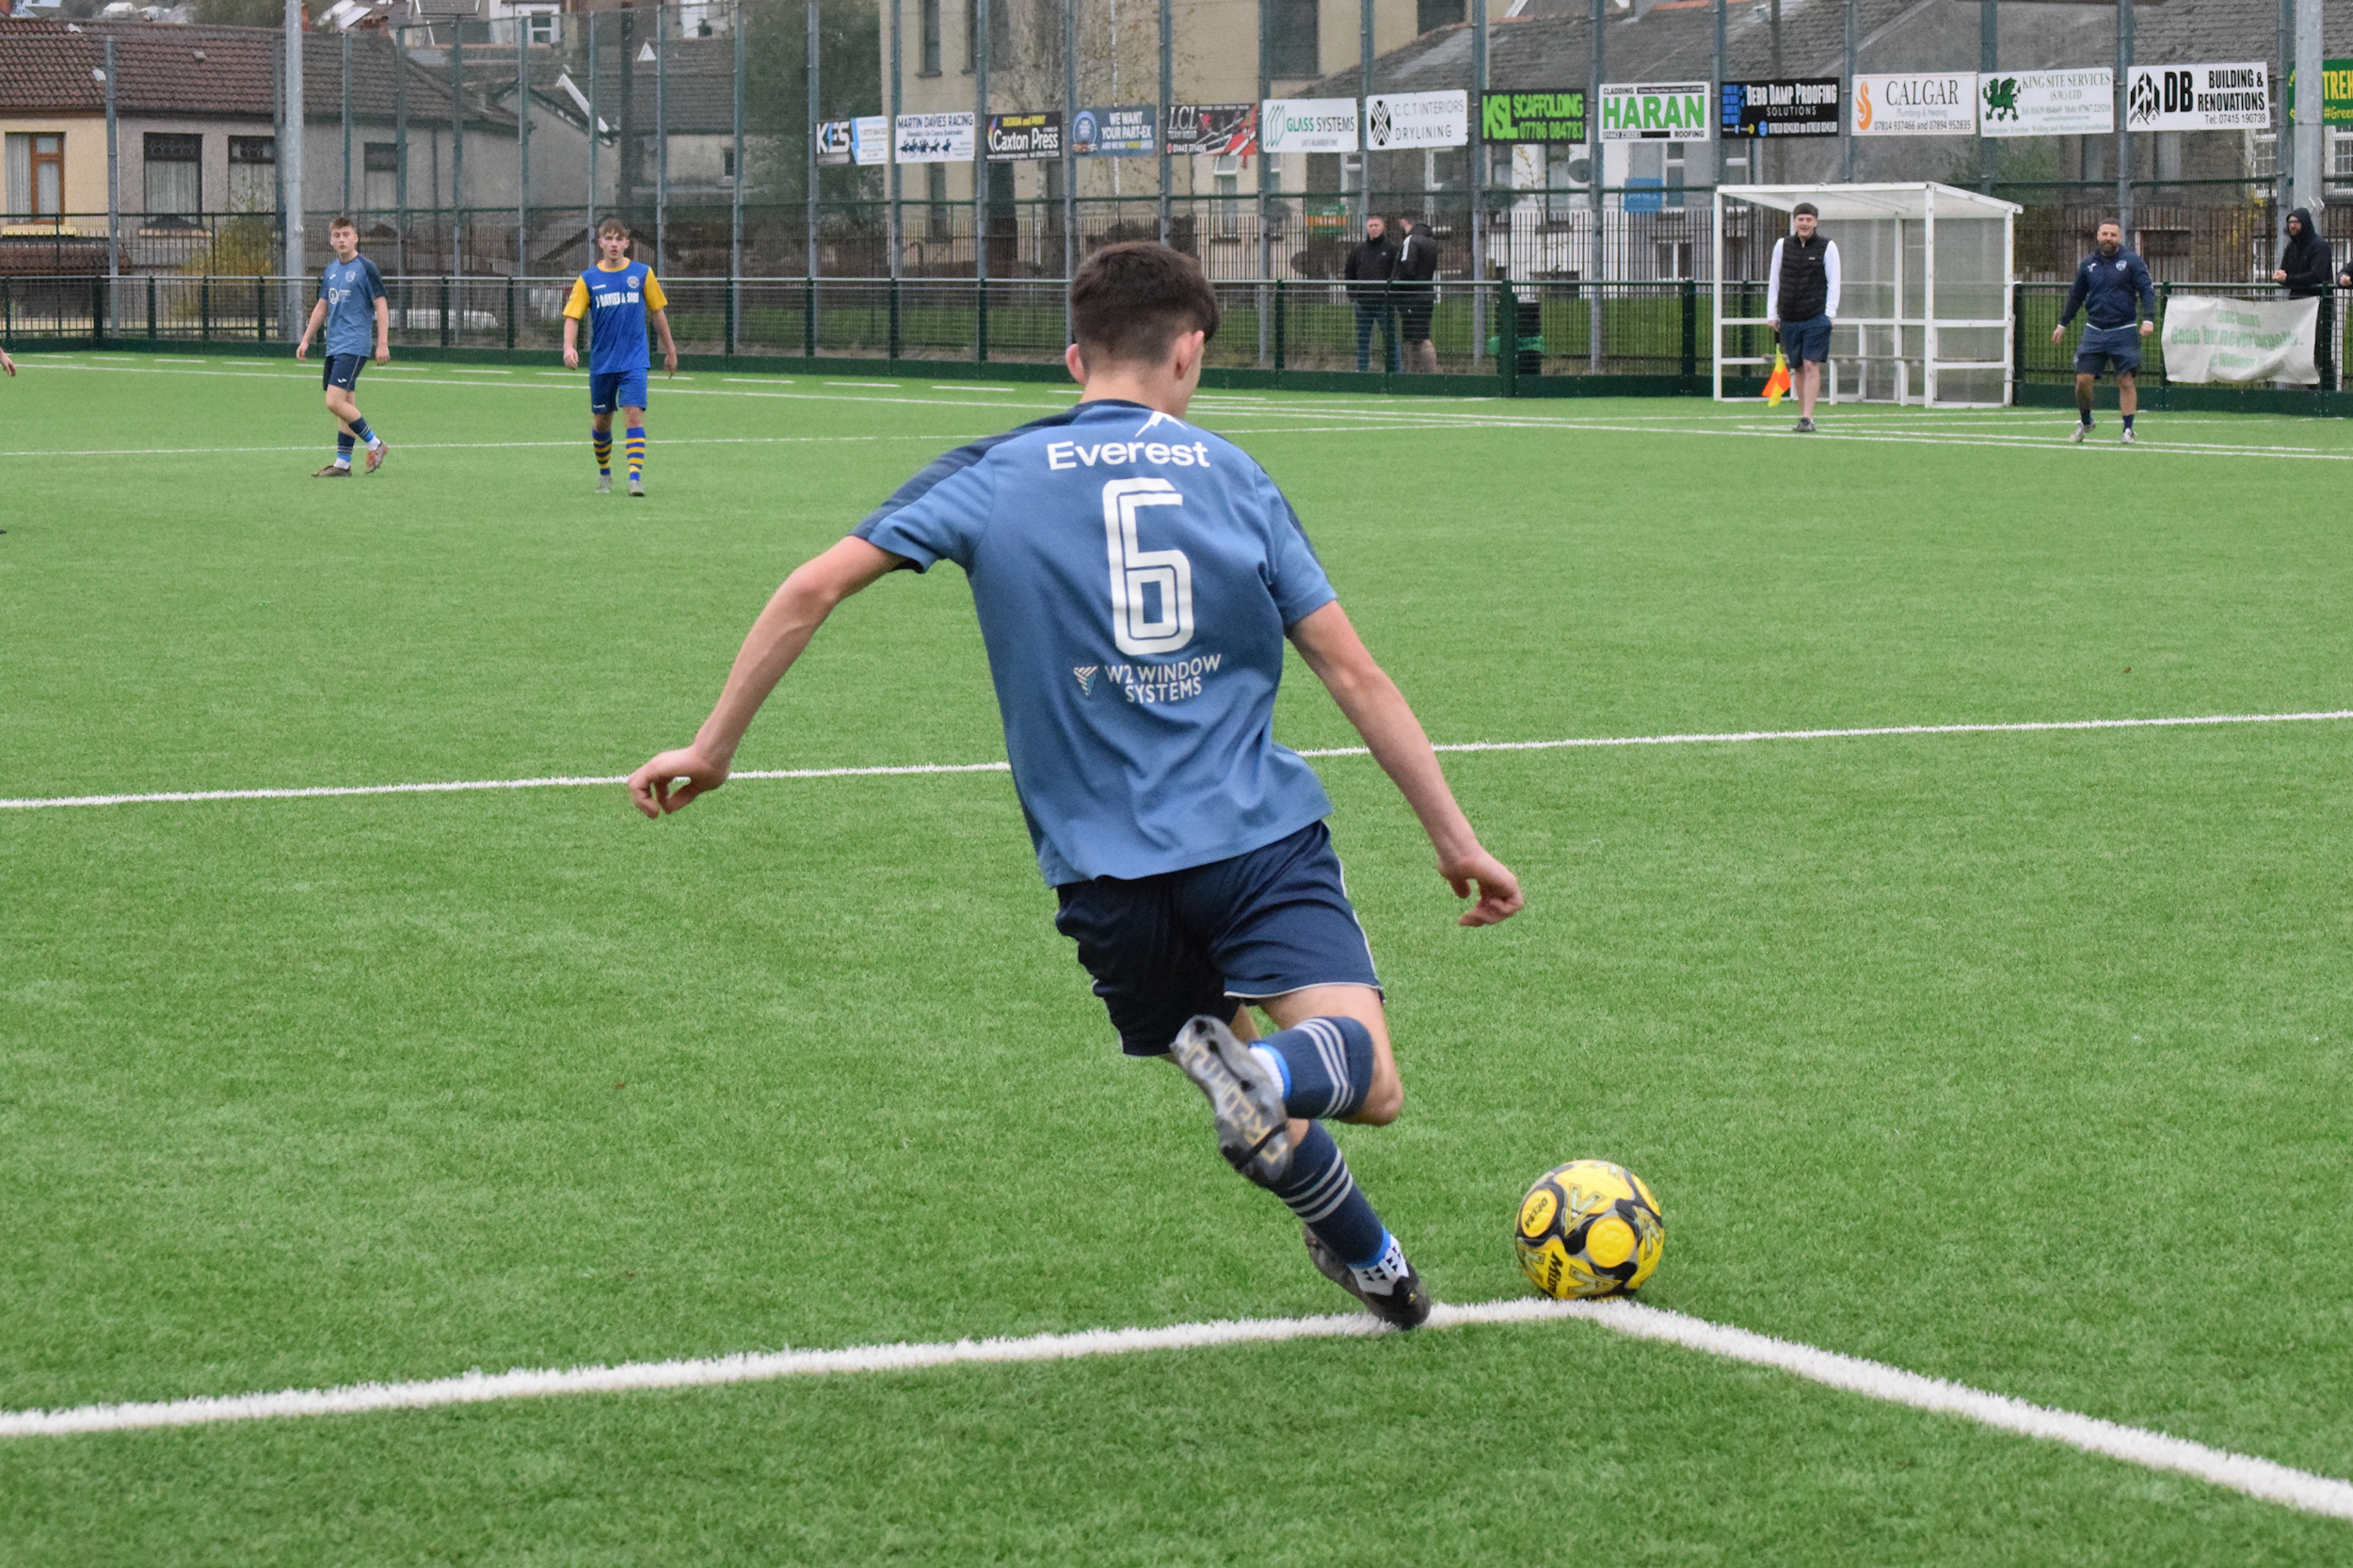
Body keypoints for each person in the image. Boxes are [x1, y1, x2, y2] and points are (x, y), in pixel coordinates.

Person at [625, 242, 1523, 1328]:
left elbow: (811, 589)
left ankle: (1370, 1259)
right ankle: (1274, 1086)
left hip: (1105, 875)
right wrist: (1454, 838)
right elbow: (1351, 670)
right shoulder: (1233, 475)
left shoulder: (989, 472)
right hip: (1253, 838)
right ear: (1188, 353)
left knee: (1237, 1065)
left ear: (1071, 358)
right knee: (1357, 1074)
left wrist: (714, 746)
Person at [562, 217, 680, 496]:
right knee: (602, 421)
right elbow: (572, 317)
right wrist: (568, 346)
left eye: (619, 239)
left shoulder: (641, 274)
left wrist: (671, 350)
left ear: (627, 243)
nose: (614, 244)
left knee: (633, 415)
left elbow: (658, 312)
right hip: (603, 362)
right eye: (608, 238)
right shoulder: (588, 279)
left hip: (635, 361)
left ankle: (635, 478)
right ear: (600, 243)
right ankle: (605, 474)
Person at [293, 216, 391, 477]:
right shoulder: (331, 271)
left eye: (346, 234)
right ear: (331, 240)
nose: (342, 239)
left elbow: (381, 304)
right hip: (334, 346)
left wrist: (382, 342)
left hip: (354, 345)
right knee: (345, 401)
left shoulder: (366, 268)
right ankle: (343, 463)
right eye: (337, 236)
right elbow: (322, 305)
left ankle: (376, 444)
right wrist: (306, 338)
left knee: (333, 401)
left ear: (355, 238)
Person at [2053, 219, 2157, 445]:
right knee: (2082, 380)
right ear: (2098, 236)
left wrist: (2149, 319)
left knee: (2126, 380)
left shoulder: (2132, 262)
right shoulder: (2089, 264)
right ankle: (2086, 420)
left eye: (2113, 235)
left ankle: (2128, 430)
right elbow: (2076, 296)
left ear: (2120, 238)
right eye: (2105, 234)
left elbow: (2147, 291)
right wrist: (2063, 324)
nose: (2108, 238)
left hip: (2124, 329)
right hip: (2094, 330)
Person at [1764, 201, 1840, 433]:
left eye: (1808, 219)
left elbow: (1834, 281)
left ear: (1815, 222)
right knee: (1797, 366)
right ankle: (1803, 417)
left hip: (1816, 317)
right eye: (1800, 219)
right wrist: (1772, 313)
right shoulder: (1782, 245)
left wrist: (1829, 314)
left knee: (1810, 364)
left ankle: (1808, 416)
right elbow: (1774, 280)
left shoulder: (1828, 247)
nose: (1804, 223)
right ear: (1794, 221)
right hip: (1789, 316)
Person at [2273, 207, 2334, 389]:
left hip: (2319, 306)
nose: (2293, 226)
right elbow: (2286, 271)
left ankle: (2328, 392)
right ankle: (2313, 391)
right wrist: (2281, 276)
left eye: (2296, 222)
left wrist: (2288, 279)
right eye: (2290, 222)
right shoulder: (2292, 248)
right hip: (2299, 306)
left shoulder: (2319, 246)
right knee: (2302, 351)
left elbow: (2316, 275)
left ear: (2305, 223)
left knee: (2321, 351)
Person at [1344, 215, 1401, 375]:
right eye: (1371, 225)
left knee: (1391, 340)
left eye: (1376, 225)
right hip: (1362, 303)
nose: (1373, 228)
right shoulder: (1359, 250)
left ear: (1382, 227)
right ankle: (1362, 371)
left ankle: (1395, 373)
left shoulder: (1391, 249)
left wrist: (1391, 295)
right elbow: (1349, 272)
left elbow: (1397, 273)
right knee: (1363, 340)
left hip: (1384, 303)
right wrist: (1353, 294)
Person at [1393, 214, 1440, 375]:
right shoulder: (1431, 241)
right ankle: (1413, 373)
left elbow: (1407, 268)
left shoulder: (1411, 240)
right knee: (1415, 337)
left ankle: (1431, 374)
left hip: (1412, 296)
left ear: (1403, 221)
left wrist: (1398, 287)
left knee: (1418, 338)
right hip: (1426, 293)